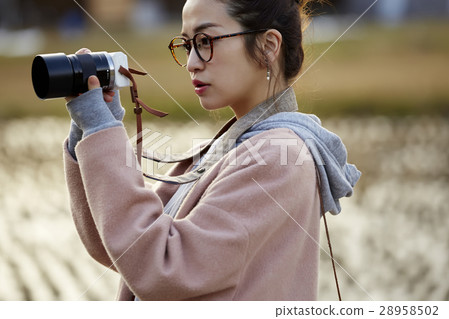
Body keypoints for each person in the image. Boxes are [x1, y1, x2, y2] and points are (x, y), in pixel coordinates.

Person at [63, 0, 360, 301]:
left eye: (206, 41)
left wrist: (102, 131)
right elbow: (127, 251)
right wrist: (88, 132)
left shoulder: (275, 158)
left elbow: (164, 267)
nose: (192, 62)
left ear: (268, 46)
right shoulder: (233, 148)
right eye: (187, 44)